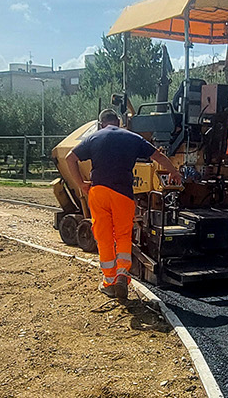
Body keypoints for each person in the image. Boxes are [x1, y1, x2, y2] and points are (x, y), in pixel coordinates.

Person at [63, 111, 179, 300]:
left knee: (104, 237)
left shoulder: (94, 137)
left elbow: (70, 158)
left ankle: (109, 283)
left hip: (99, 192)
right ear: (119, 122)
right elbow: (157, 156)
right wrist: (174, 172)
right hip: (123, 194)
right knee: (123, 235)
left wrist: (81, 184)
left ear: (101, 123)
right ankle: (122, 274)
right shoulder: (133, 138)